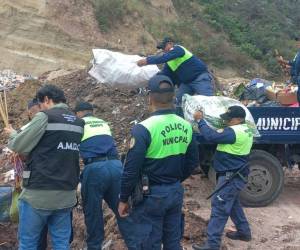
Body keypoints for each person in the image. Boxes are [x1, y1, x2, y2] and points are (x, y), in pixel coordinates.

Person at [118, 75, 199, 250]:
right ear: (173, 97)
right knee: (172, 242)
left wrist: (123, 198)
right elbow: (193, 162)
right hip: (175, 191)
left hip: (151, 195)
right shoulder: (186, 125)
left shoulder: (144, 128)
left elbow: (131, 169)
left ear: (150, 98)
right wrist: (175, 179)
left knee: (149, 243)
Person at [8, 84, 84, 250]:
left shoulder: (45, 117)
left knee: (28, 243)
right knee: (61, 244)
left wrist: (12, 134)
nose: (40, 108)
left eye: (40, 104)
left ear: (47, 100)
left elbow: (18, 145)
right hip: (66, 194)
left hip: (38, 193)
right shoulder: (78, 123)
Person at [192, 106, 253, 250]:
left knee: (219, 208)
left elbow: (211, 136)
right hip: (236, 175)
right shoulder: (246, 129)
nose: (227, 122)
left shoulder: (234, 132)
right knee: (233, 204)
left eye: (229, 119)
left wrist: (200, 120)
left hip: (230, 177)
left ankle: (212, 245)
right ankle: (244, 233)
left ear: (238, 119)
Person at [74, 101, 133, 250]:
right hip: (116, 166)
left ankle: (94, 246)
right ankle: (135, 244)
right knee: (123, 210)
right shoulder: (103, 122)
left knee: (93, 213)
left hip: (95, 169)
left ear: (78, 113)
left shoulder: (78, 123)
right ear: (91, 111)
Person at [137, 37, 214, 113]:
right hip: (187, 84)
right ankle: (180, 121)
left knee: (207, 102)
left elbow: (163, 58)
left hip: (199, 78)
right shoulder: (169, 62)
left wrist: (147, 60)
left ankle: (215, 122)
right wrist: (151, 82)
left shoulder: (178, 49)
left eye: (164, 47)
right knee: (177, 103)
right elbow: (164, 75)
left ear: (170, 44)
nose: (163, 50)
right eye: (162, 48)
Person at [277, 37, 300, 102]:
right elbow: (294, 63)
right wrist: (285, 64)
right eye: (297, 41)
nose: (297, 43)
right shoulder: (298, 53)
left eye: (299, 41)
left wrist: (283, 61)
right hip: (296, 78)